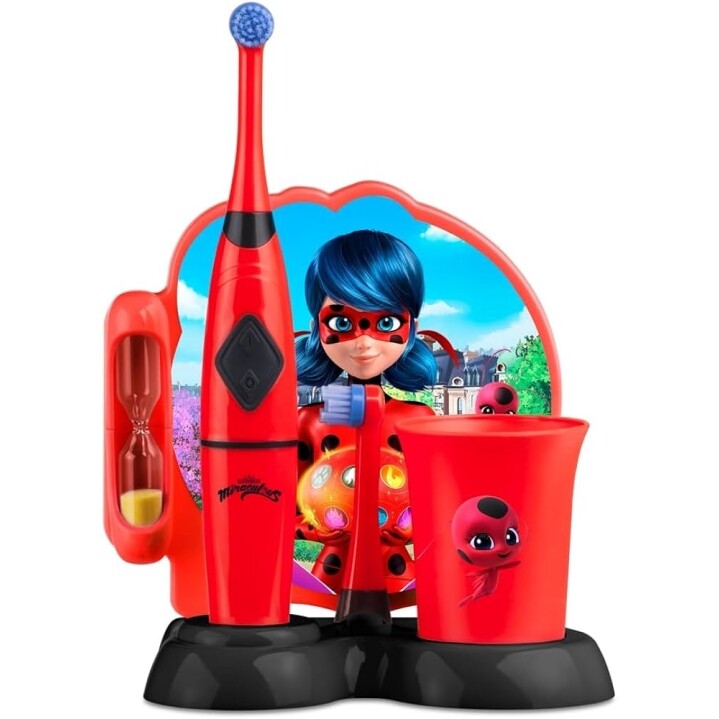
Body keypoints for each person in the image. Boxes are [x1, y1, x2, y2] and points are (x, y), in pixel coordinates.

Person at [294, 229, 441, 595]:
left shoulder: (417, 421)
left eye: (385, 323)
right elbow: (285, 507)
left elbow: (440, 505)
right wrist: (316, 525)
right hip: (332, 574)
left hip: (398, 575)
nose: (364, 342)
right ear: (316, 328)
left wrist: (410, 524)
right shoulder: (310, 422)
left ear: (412, 328)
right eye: (342, 323)